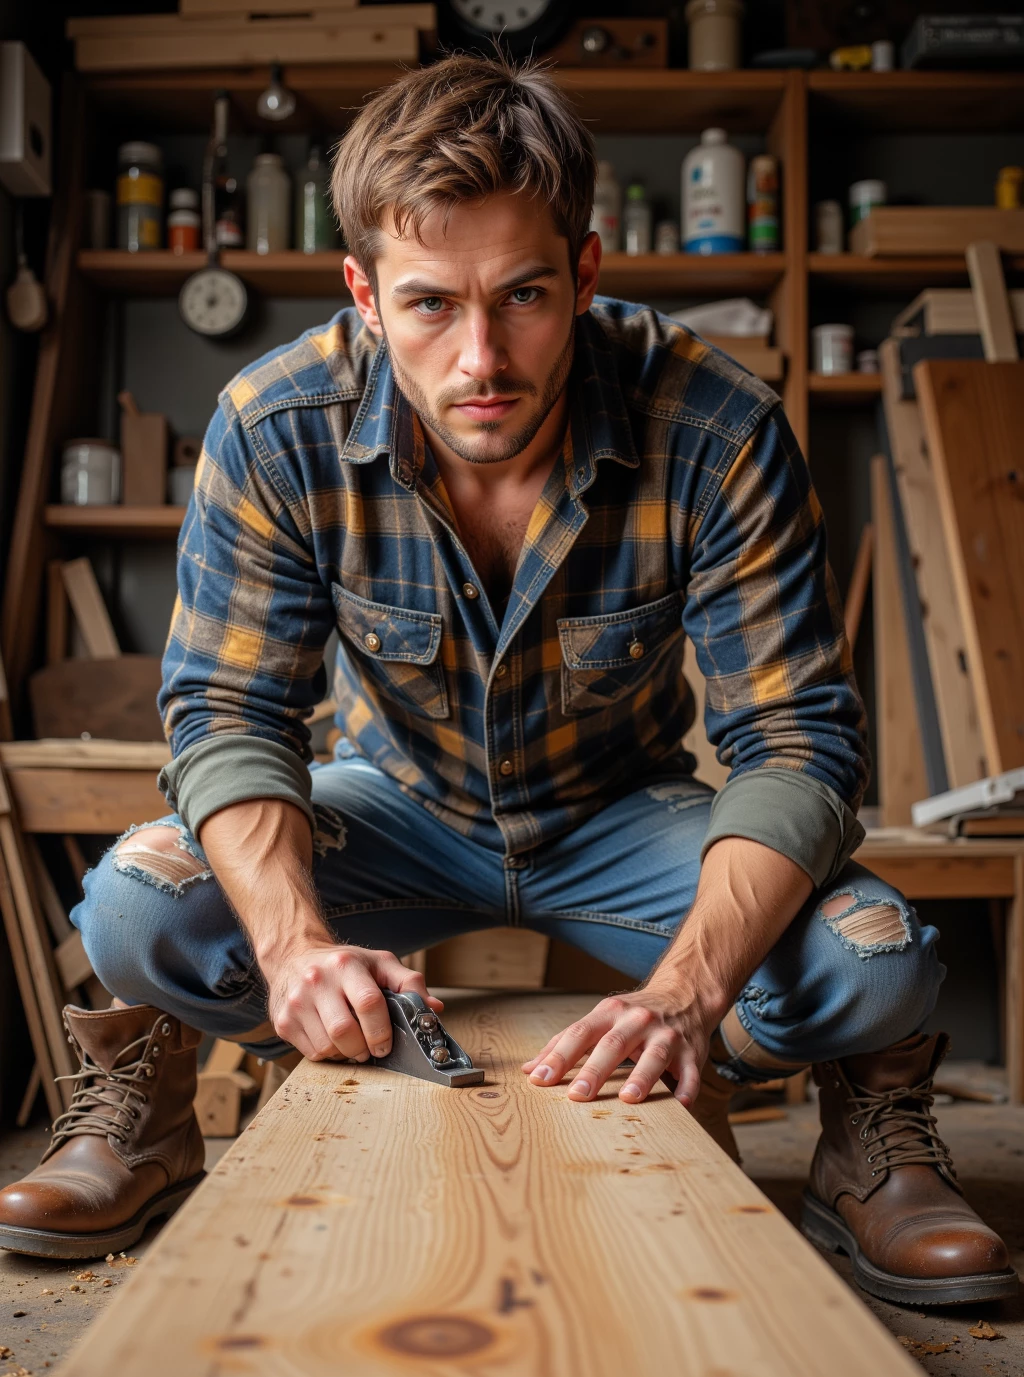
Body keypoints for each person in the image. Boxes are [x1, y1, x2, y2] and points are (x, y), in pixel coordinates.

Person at [0, 56, 1014, 1306]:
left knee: (879, 962)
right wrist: (299, 944)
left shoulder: (717, 426)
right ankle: (145, 1113)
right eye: (429, 305)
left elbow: (796, 743)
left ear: (584, 273)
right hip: (392, 808)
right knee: (136, 913)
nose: (482, 357)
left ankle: (867, 1144)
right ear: (364, 294)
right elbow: (228, 711)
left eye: (524, 295)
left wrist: (691, 996)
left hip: (620, 817)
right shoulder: (275, 426)